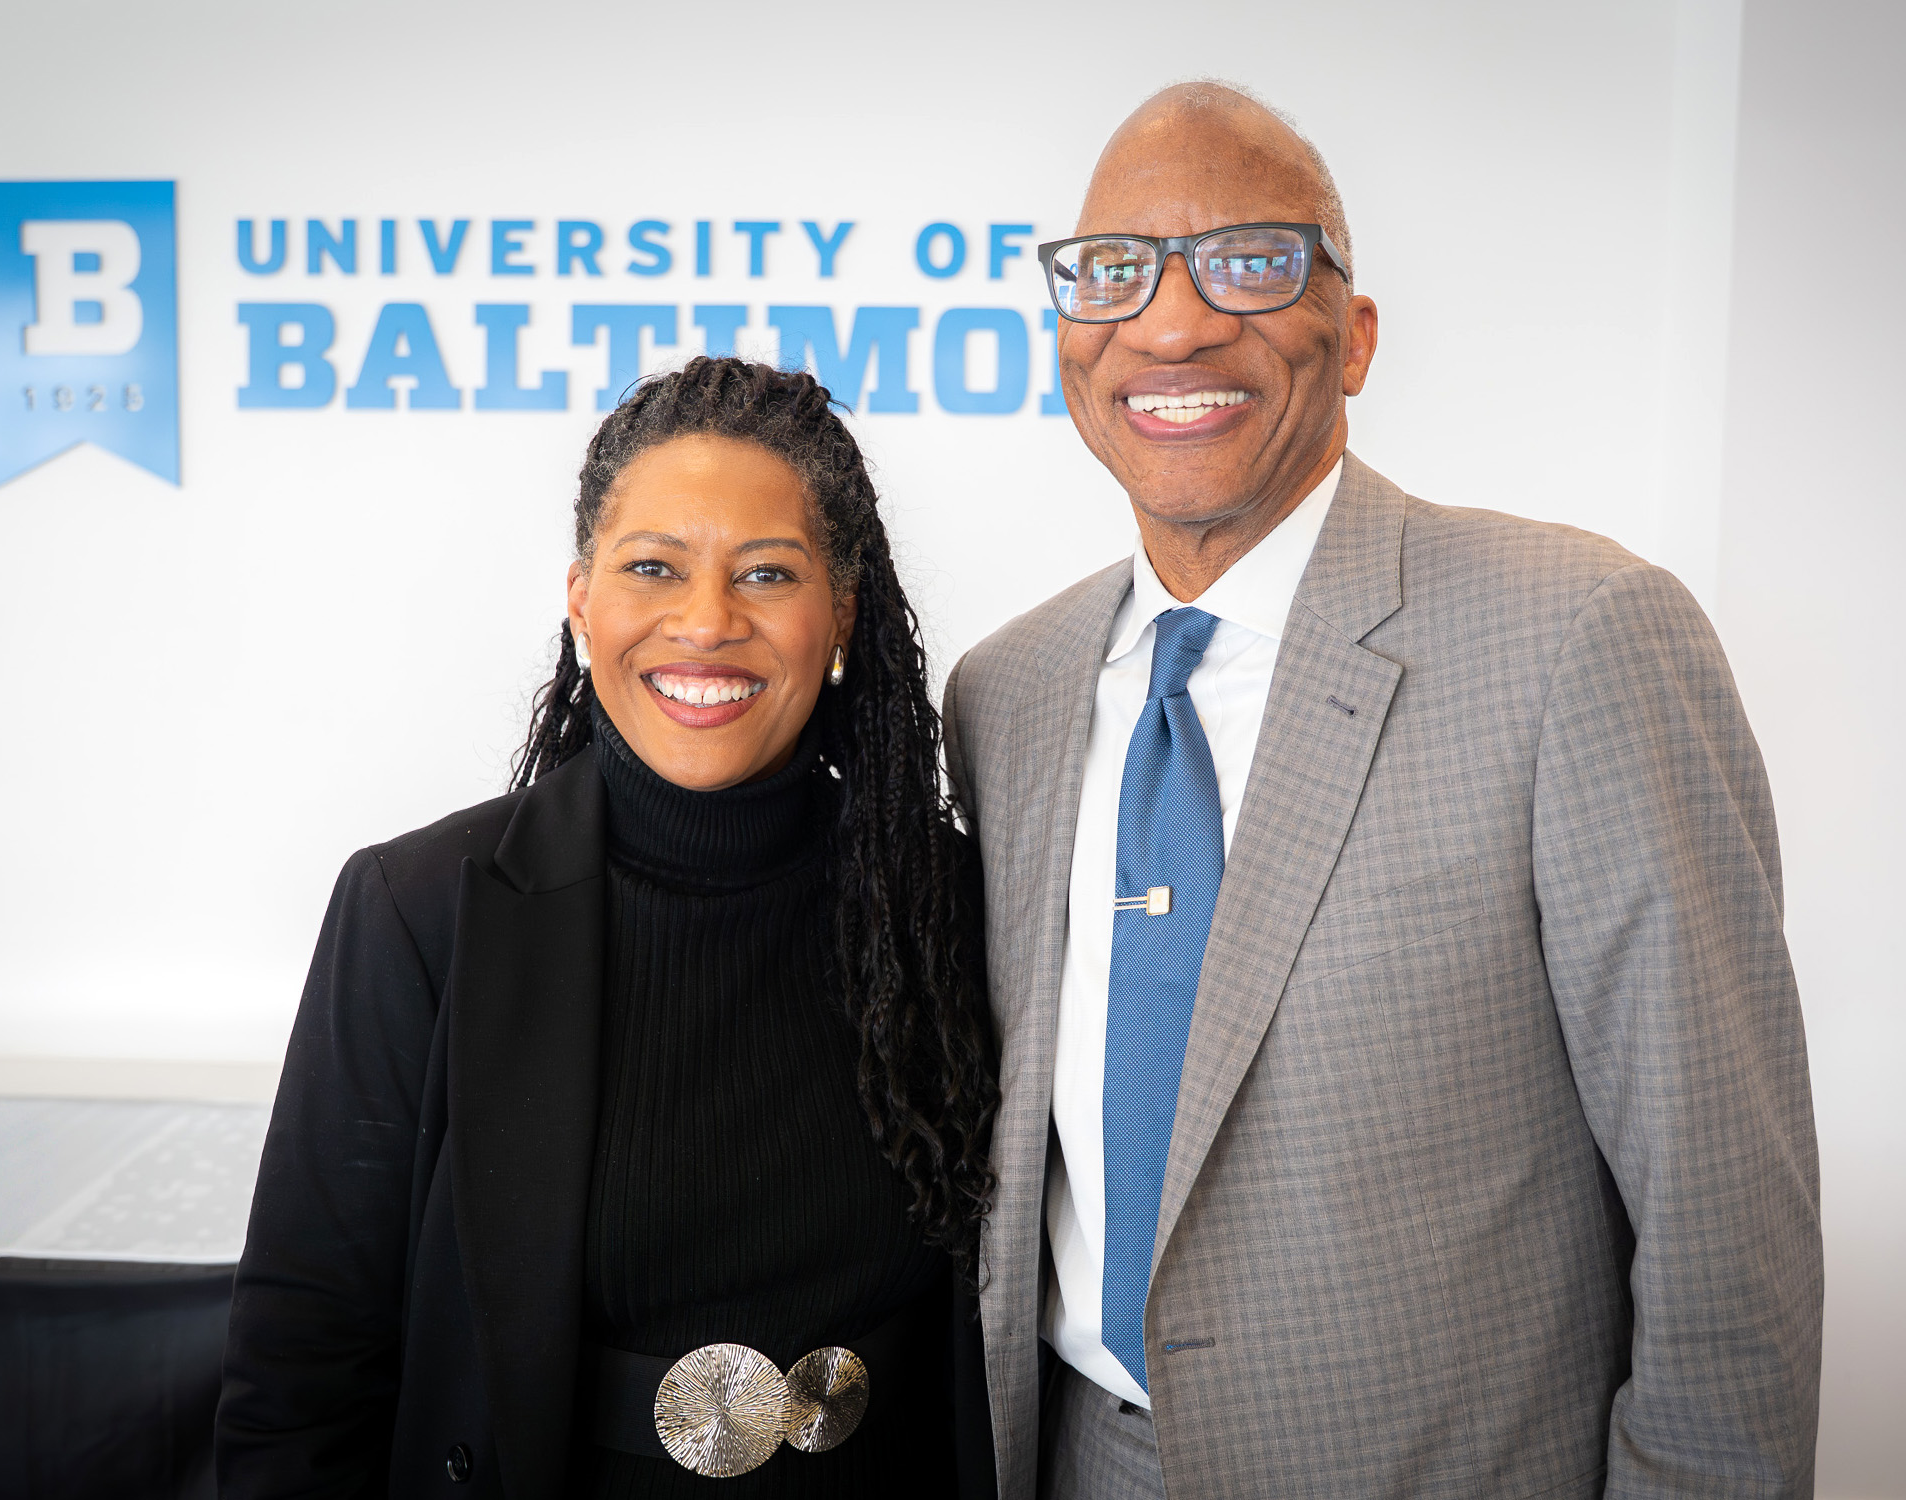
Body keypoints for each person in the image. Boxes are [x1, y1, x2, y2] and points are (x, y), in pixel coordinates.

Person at [942, 81, 1823, 1499]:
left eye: (1249, 260)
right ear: (1067, 346)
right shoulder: (1008, 695)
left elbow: (1724, 1224)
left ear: (1350, 339)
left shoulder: (1576, 636)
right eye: (1114, 272)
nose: (1171, 324)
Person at [217, 357, 998, 1498]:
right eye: (652, 568)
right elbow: (304, 1359)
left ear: (840, 612)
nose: (704, 623)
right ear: (582, 601)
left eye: (766, 573)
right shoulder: (420, 909)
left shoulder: (946, 905)